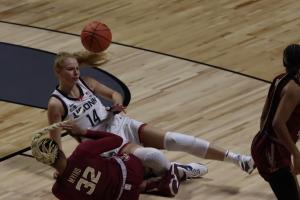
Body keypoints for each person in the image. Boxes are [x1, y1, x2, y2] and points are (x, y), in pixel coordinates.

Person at [47, 51, 254, 179]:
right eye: (70, 70)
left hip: (121, 123)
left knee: (176, 139)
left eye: (77, 68)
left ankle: (239, 159)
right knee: (154, 157)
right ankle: (179, 170)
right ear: (59, 72)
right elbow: (55, 142)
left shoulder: (87, 82)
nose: (76, 73)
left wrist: (117, 103)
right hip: (106, 144)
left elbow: (113, 93)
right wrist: (62, 168)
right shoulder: (56, 104)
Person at [31, 128, 182, 200]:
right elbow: (116, 140)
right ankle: (163, 176)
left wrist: (67, 177)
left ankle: (148, 186)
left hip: (123, 199)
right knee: (119, 153)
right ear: (59, 149)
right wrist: (85, 132)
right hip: (131, 172)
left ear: (45, 162)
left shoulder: (58, 190)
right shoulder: (82, 151)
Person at [251, 44, 300, 200]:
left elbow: (264, 116)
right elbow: (277, 123)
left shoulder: (279, 79)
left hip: (267, 146)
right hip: (273, 152)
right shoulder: (294, 89)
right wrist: (296, 154)